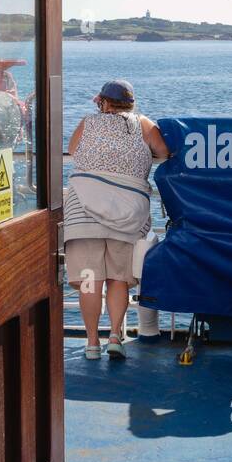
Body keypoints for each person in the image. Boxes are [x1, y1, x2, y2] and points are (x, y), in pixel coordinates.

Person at [65, 79, 169, 360]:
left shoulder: (89, 122)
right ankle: (114, 336)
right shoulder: (143, 124)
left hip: (83, 213)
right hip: (126, 215)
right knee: (118, 280)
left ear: (103, 102)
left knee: (89, 281)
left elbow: (74, 151)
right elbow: (164, 153)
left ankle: (90, 343)